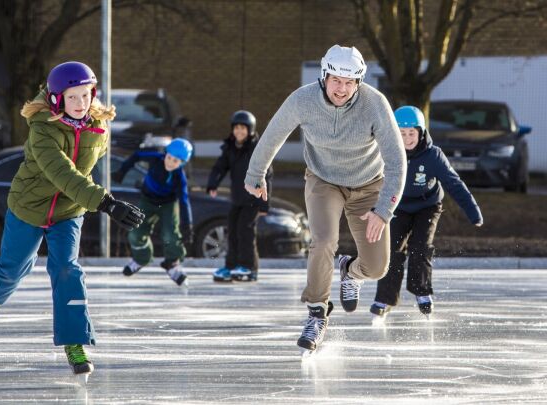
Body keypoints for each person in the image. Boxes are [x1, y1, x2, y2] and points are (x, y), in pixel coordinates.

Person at [0, 61, 145, 377]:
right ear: (56, 99)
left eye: (85, 95)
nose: (80, 104)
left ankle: (75, 342)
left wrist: (98, 194)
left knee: (67, 269)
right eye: (72, 97)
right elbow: (63, 173)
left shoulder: (99, 127)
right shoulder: (42, 129)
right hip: (29, 206)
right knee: (12, 268)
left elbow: (92, 163)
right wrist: (106, 203)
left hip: (68, 212)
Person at [244, 44, 406, 353]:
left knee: (377, 267)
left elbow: (397, 162)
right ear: (324, 75)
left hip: (369, 185)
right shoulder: (302, 100)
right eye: (336, 81)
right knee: (323, 240)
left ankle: (351, 271)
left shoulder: (375, 104)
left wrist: (383, 209)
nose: (342, 89)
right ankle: (317, 312)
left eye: (349, 83)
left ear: (358, 82)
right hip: (323, 181)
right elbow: (273, 135)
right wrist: (255, 175)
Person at [370, 106, 483, 320]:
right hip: (398, 206)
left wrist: (473, 211)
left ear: (421, 132)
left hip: (427, 206)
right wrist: (371, 208)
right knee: (392, 250)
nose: (407, 138)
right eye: (402, 134)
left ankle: (422, 292)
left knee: (420, 247)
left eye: (412, 133)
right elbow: (371, 182)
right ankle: (385, 299)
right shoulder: (388, 153)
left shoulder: (433, 155)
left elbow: (454, 183)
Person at [112, 138, 193, 286]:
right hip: (147, 201)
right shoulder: (155, 159)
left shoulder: (179, 178)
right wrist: (122, 171)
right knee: (136, 231)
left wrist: (187, 224)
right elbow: (136, 155)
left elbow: (184, 200)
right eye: (169, 158)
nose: (170, 163)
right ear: (165, 154)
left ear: (181, 163)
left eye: (176, 161)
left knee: (171, 233)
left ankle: (172, 263)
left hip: (168, 204)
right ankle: (142, 258)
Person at [207, 110, 272, 282]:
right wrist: (213, 183)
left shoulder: (257, 149)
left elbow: (267, 175)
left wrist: (264, 204)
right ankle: (231, 267)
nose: (239, 132)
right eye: (236, 128)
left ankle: (249, 268)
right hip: (237, 199)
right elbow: (219, 167)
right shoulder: (230, 148)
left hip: (253, 200)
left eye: (243, 128)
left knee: (245, 232)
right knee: (233, 232)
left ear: (250, 130)